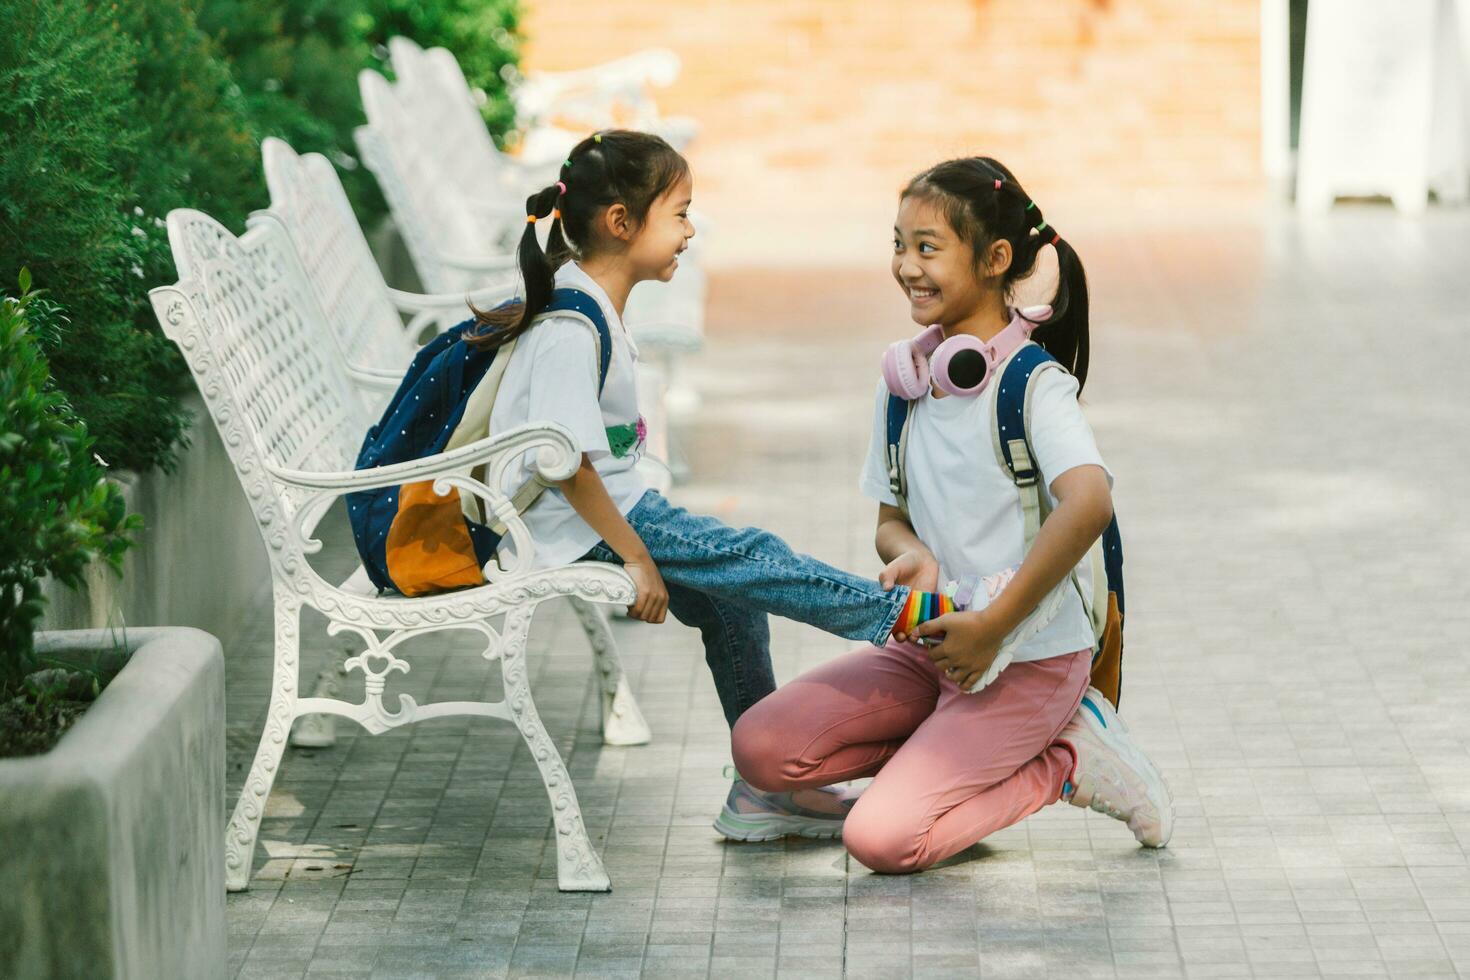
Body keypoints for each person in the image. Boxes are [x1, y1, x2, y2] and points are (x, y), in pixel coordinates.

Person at [470, 130, 964, 836]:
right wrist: (637, 556)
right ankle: (908, 618)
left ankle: (763, 791)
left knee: (731, 600)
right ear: (620, 223)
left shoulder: (588, 304)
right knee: (750, 556)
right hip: (582, 524)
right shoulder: (570, 327)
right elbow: (566, 465)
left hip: (607, 509)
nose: (689, 231)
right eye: (678, 214)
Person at [729, 156, 1174, 873]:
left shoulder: (1032, 385)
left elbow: (1089, 503)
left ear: (997, 258)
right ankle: (940, 761)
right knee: (761, 748)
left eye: (928, 247)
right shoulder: (905, 384)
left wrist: (993, 627)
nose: (907, 265)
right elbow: (890, 518)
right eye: (898, 244)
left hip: (1027, 659)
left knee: (881, 840)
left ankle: (1066, 758)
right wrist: (912, 554)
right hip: (931, 645)